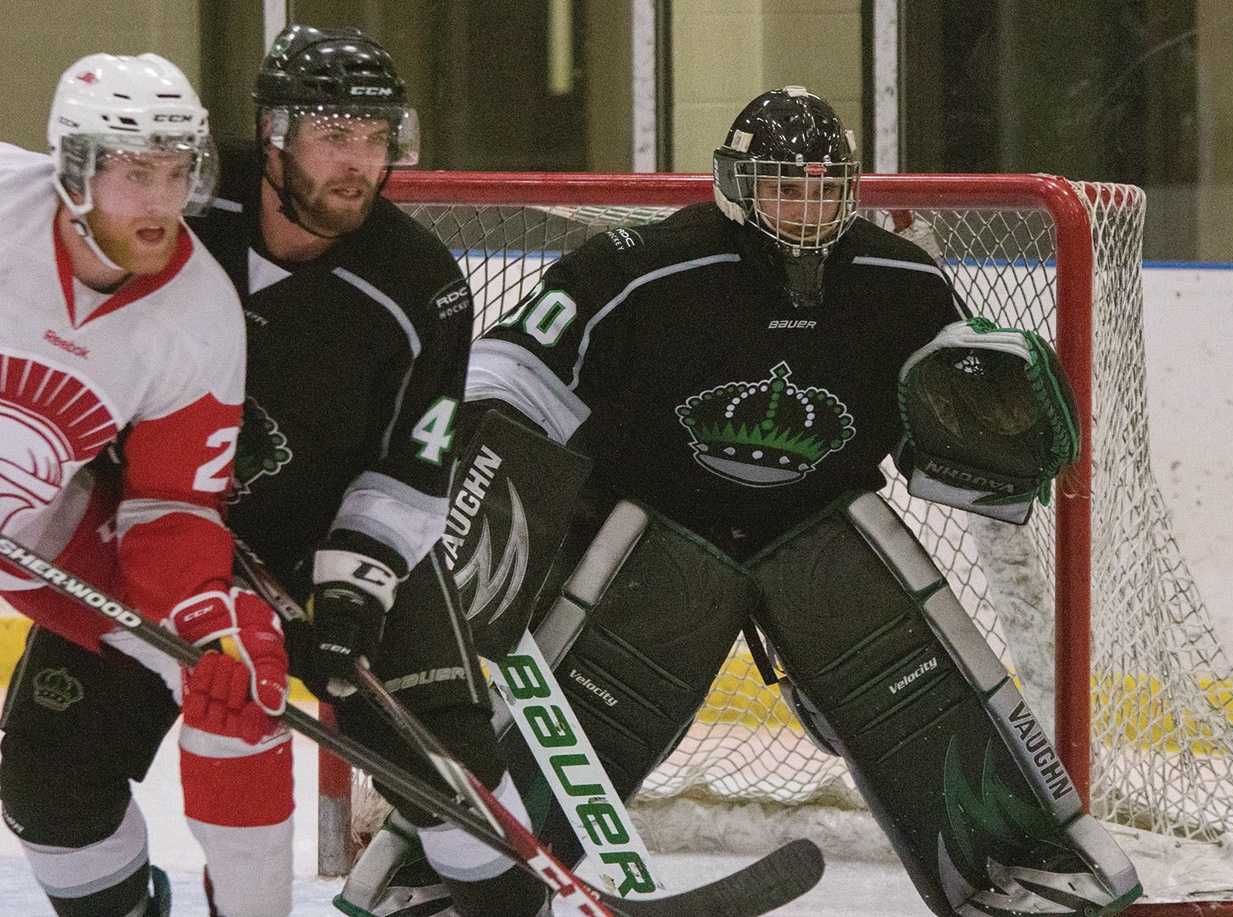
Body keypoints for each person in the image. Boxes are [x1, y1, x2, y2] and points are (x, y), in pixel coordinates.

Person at [353, 86, 1144, 917]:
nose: (805, 209)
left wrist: (990, 434)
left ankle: (1023, 862)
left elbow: (936, 432)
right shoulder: (637, 268)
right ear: (737, 185)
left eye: (822, 188)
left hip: (819, 536)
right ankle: (450, 878)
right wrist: (474, 453)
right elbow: (508, 369)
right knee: (596, 675)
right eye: (783, 186)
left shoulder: (903, 282)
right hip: (648, 539)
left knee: (867, 596)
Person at [184, 24, 528, 917]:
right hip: (168, 525)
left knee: (456, 767)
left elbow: (415, 464)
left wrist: (349, 593)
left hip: (335, 536)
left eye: (376, 138)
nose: (360, 164)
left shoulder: (420, 282)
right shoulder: (185, 204)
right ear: (272, 132)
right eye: (335, 136)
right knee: (54, 776)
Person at [0, 54, 291, 917]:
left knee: (241, 690)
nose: (162, 200)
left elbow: (171, 504)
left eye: (176, 171)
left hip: (40, 526)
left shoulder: (198, 314)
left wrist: (204, 617)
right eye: (136, 173)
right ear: (76, 170)